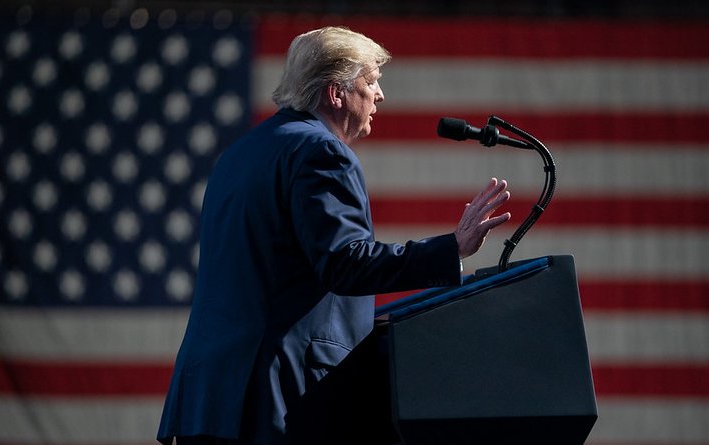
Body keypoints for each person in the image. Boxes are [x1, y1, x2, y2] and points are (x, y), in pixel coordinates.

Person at [157, 26, 511, 445]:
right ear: (335, 92)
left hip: (211, 400)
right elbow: (345, 263)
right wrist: (450, 249)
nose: (380, 96)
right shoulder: (321, 152)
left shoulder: (239, 155)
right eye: (371, 81)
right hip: (280, 398)